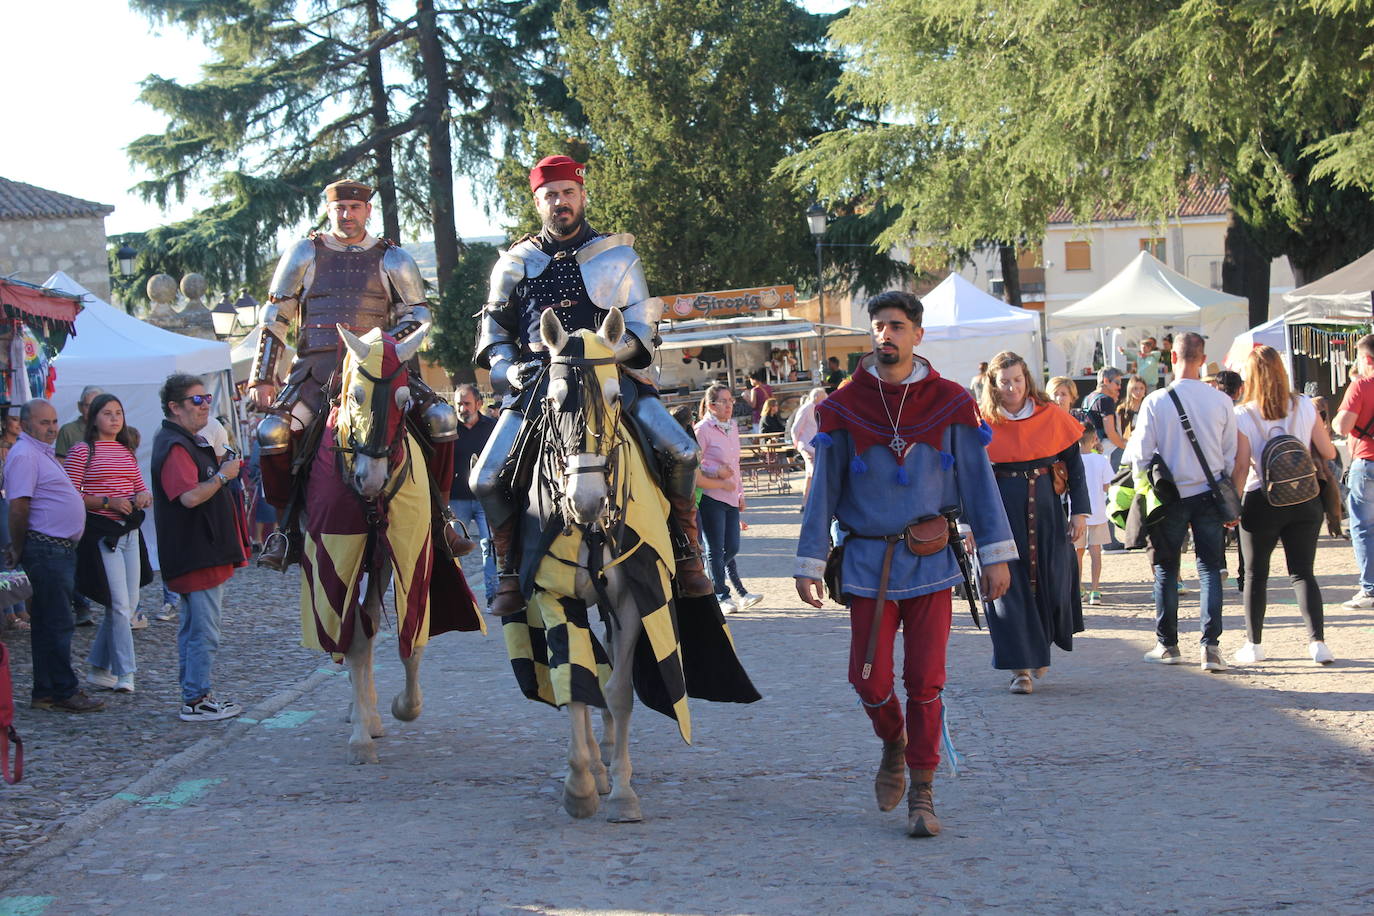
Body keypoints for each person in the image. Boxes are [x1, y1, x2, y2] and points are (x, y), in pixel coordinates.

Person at [795, 290, 1014, 838]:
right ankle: (893, 740)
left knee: (925, 680)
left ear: (918, 334)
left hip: (931, 559)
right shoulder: (843, 408)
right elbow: (823, 489)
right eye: (879, 326)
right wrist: (809, 559)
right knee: (867, 680)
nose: (886, 335)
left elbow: (980, 485)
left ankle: (923, 791)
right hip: (868, 560)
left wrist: (995, 554)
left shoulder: (950, 402)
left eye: (897, 325)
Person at [471, 154, 712, 616]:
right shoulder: (514, 263)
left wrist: (599, 357)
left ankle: (686, 551)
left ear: (582, 196)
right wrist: (509, 370)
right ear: (537, 201)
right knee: (485, 477)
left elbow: (643, 327)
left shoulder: (617, 256)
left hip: (614, 382)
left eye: (567, 193)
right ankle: (506, 569)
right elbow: (493, 336)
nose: (559, 202)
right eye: (550, 195)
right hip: (539, 388)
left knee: (683, 451)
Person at [247, 178, 453, 572]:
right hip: (316, 371)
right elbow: (275, 316)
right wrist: (262, 377)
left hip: (379, 371)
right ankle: (285, 530)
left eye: (354, 208)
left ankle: (443, 519)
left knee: (441, 418)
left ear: (367, 211)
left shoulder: (392, 258)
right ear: (330, 210)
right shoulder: (305, 252)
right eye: (340, 208)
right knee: (271, 433)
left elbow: (419, 316)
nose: (347, 214)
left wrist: (381, 348)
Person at [979, 351, 1089, 695]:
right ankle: (1019, 669)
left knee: (1050, 582)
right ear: (994, 386)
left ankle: (1039, 647)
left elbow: (1075, 466)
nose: (1012, 388)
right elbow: (967, 474)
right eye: (1004, 382)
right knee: (1006, 590)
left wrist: (1080, 512)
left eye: (1017, 380)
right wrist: (968, 526)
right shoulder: (981, 421)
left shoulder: (1050, 415)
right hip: (1000, 513)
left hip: (1046, 511)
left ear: (1027, 380)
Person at [1126, 332, 1237, 671]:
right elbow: (1229, 456)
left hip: (1170, 495)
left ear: (1172, 358)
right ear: (1203, 360)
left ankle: (1168, 644)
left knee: (1166, 568)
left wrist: (1142, 493)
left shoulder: (1157, 401)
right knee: (1209, 570)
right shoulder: (1221, 402)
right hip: (1208, 493)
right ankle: (1211, 647)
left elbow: (1140, 457)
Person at [1230, 346, 1337, 666]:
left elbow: (1240, 467)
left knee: (1255, 574)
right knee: (1303, 572)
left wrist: (1232, 507)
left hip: (1261, 498)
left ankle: (1255, 645)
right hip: (1305, 498)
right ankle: (1318, 643)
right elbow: (1329, 453)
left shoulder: (1244, 414)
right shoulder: (1304, 405)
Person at [151, 374, 249, 722]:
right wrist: (224, 475)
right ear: (174, 407)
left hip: (199, 551)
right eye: (196, 400)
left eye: (206, 398)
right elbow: (190, 496)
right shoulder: (175, 446)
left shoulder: (185, 441)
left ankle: (194, 694)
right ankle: (197, 699)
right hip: (197, 554)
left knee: (194, 629)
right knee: (204, 631)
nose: (205, 404)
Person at [5, 399, 104, 712]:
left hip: (55, 548)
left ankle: (46, 690)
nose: (52, 428)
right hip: (45, 547)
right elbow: (19, 506)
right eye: (44, 422)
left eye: (54, 421)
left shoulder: (39, 454)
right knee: (58, 622)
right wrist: (18, 547)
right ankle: (64, 690)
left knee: (48, 621)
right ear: (24, 424)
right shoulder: (24, 455)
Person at [63, 394, 152, 694]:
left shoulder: (125, 451)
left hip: (129, 533)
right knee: (118, 604)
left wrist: (142, 497)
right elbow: (71, 495)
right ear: (94, 418)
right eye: (107, 413)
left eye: (119, 413)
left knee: (126, 605)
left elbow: (140, 488)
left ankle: (99, 668)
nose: (114, 419)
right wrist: (106, 501)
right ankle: (125, 671)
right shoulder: (81, 451)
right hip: (103, 535)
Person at [694, 384, 749, 614]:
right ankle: (721, 594)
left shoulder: (733, 427)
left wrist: (741, 492)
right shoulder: (702, 429)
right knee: (714, 549)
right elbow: (694, 466)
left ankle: (712, 577)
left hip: (731, 496)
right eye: (724, 401)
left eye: (731, 401)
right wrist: (716, 472)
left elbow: (736, 464)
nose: (729, 406)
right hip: (711, 496)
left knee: (733, 547)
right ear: (711, 405)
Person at [1332, 334, 1374, 609]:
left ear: (1368, 359)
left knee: (1363, 527)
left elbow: (1342, 427)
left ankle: (1370, 589)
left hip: (1367, 461)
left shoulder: (1361, 386)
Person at [449, 384, 497, 607]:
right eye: (458, 403)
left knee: (491, 546)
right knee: (454, 549)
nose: (462, 408)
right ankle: (458, 600)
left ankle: (493, 596)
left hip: (485, 499)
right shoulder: (448, 429)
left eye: (466, 403)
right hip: (457, 499)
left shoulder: (492, 428)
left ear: (479, 404)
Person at [1074, 425, 1114, 605]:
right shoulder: (1102, 460)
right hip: (1097, 510)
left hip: (1076, 513)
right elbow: (1107, 485)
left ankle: (1078, 587)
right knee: (1096, 551)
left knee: (1077, 552)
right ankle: (1095, 590)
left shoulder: (1073, 460)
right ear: (1094, 439)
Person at [789, 386, 827, 503]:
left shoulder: (819, 408)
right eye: (822, 398)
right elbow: (795, 428)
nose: (824, 400)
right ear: (816, 397)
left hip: (815, 446)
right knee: (815, 470)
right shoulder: (806, 408)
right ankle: (817, 500)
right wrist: (796, 443)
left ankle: (806, 502)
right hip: (806, 445)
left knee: (810, 474)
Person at [54, 385, 103, 460]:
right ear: (80, 407)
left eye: (97, 406)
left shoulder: (112, 429)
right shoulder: (68, 431)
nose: (92, 410)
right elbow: (61, 463)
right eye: (88, 406)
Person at [1115, 375, 1148, 442]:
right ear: (1130, 390)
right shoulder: (1122, 409)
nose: (1138, 392)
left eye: (1142, 388)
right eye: (1135, 388)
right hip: (1127, 444)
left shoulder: (1148, 408)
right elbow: (1118, 430)